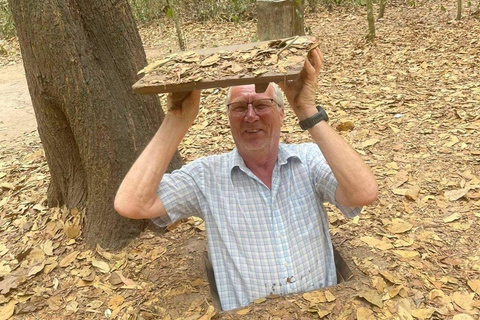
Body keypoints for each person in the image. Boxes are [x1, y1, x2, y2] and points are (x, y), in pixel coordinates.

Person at [114, 47, 378, 311]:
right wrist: (177, 119)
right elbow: (133, 204)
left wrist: (307, 109)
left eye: (262, 105)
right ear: (228, 118)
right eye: (239, 107)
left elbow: (363, 192)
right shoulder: (207, 176)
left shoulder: (308, 160)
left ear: (282, 113)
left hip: (320, 311)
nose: (251, 116)